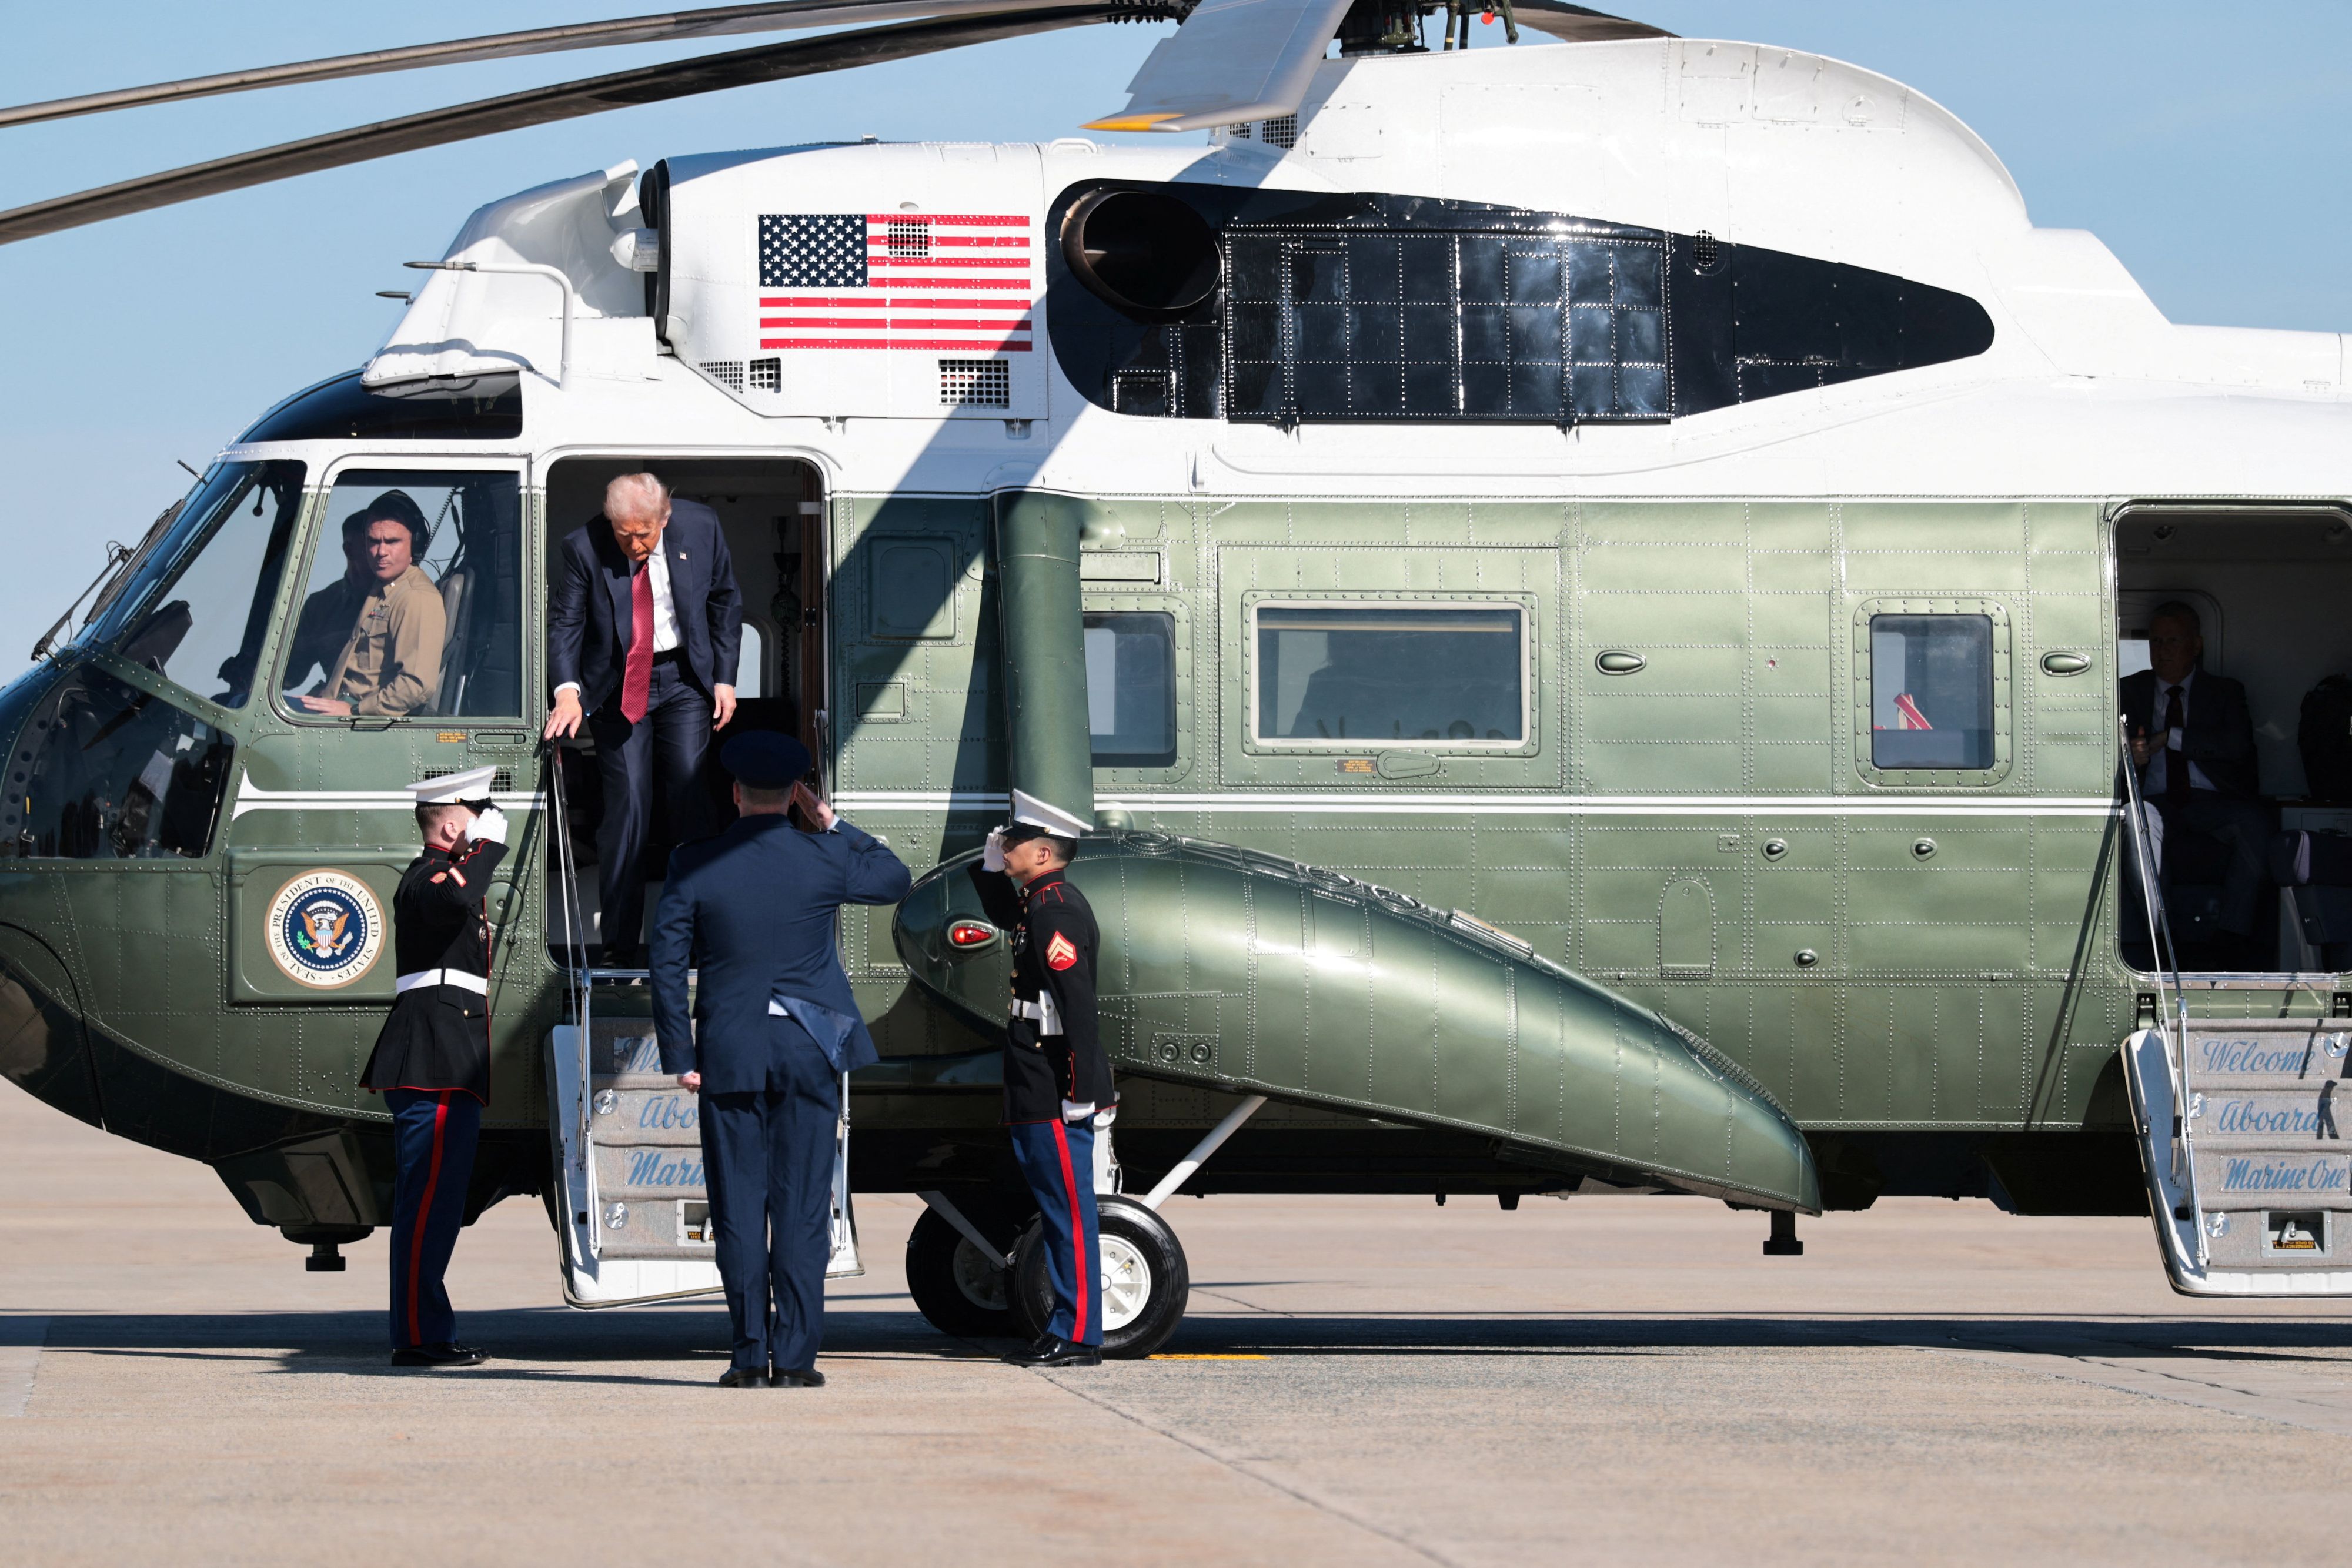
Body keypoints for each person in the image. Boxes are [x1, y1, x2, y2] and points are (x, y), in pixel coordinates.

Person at [650, 732, 910, 1389]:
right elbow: (894, 879)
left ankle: (746, 1357)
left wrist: (680, 1053)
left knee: (738, 1207)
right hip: (808, 1045)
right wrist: (832, 823)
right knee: (800, 1207)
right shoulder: (823, 858)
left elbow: (665, 965)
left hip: (730, 1049)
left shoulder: (694, 862)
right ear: (795, 795)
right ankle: (794, 1360)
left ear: (734, 793)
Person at [545, 473, 742, 967]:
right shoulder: (581, 547)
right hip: (618, 684)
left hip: (684, 679)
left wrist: (725, 677)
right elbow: (566, 622)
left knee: (691, 796)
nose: (634, 544)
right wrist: (567, 691)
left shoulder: (701, 526)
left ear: (665, 518)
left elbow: (725, 600)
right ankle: (619, 945)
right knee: (627, 807)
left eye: (644, 534)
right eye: (624, 532)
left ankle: (701, 940)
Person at [359, 764, 509, 1368]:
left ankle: (426, 1331)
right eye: (474, 819)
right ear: (450, 822)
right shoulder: (425, 878)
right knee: (425, 1207)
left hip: (449, 1059)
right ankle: (419, 1337)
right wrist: (490, 846)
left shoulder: (444, 876)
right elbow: (454, 894)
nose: (482, 830)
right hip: (434, 1062)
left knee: (437, 1207)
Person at [968, 821, 1117, 1368]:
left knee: (1067, 1213)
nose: (1006, 849)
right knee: (1057, 1208)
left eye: (1014, 844)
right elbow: (1009, 918)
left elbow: (1077, 1007)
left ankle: (1079, 1334)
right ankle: (1070, 1327)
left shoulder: (1056, 909)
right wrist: (989, 870)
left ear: (1045, 851)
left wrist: (1079, 1089)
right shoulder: (1039, 900)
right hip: (1035, 1076)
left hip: (1054, 1082)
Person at [2123, 600, 2268, 964]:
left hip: (2210, 803)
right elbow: (2100, 747)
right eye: (2155, 642)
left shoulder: (2225, 692)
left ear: (2196, 645)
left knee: (2253, 821)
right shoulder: (2129, 689)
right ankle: (2162, 938)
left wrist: (2170, 737)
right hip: (2155, 799)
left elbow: (2236, 747)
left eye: (2173, 641)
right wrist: (2130, 754)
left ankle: (2231, 940)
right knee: (2135, 817)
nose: (2162, 651)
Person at [293, 490, 447, 718]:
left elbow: (417, 685)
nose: (381, 552)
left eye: (393, 542)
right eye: (374, 542)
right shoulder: (381, 589)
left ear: (415, 544)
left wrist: (354, 710)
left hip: (358, 718)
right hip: (338, 705)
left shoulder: (417, 597)